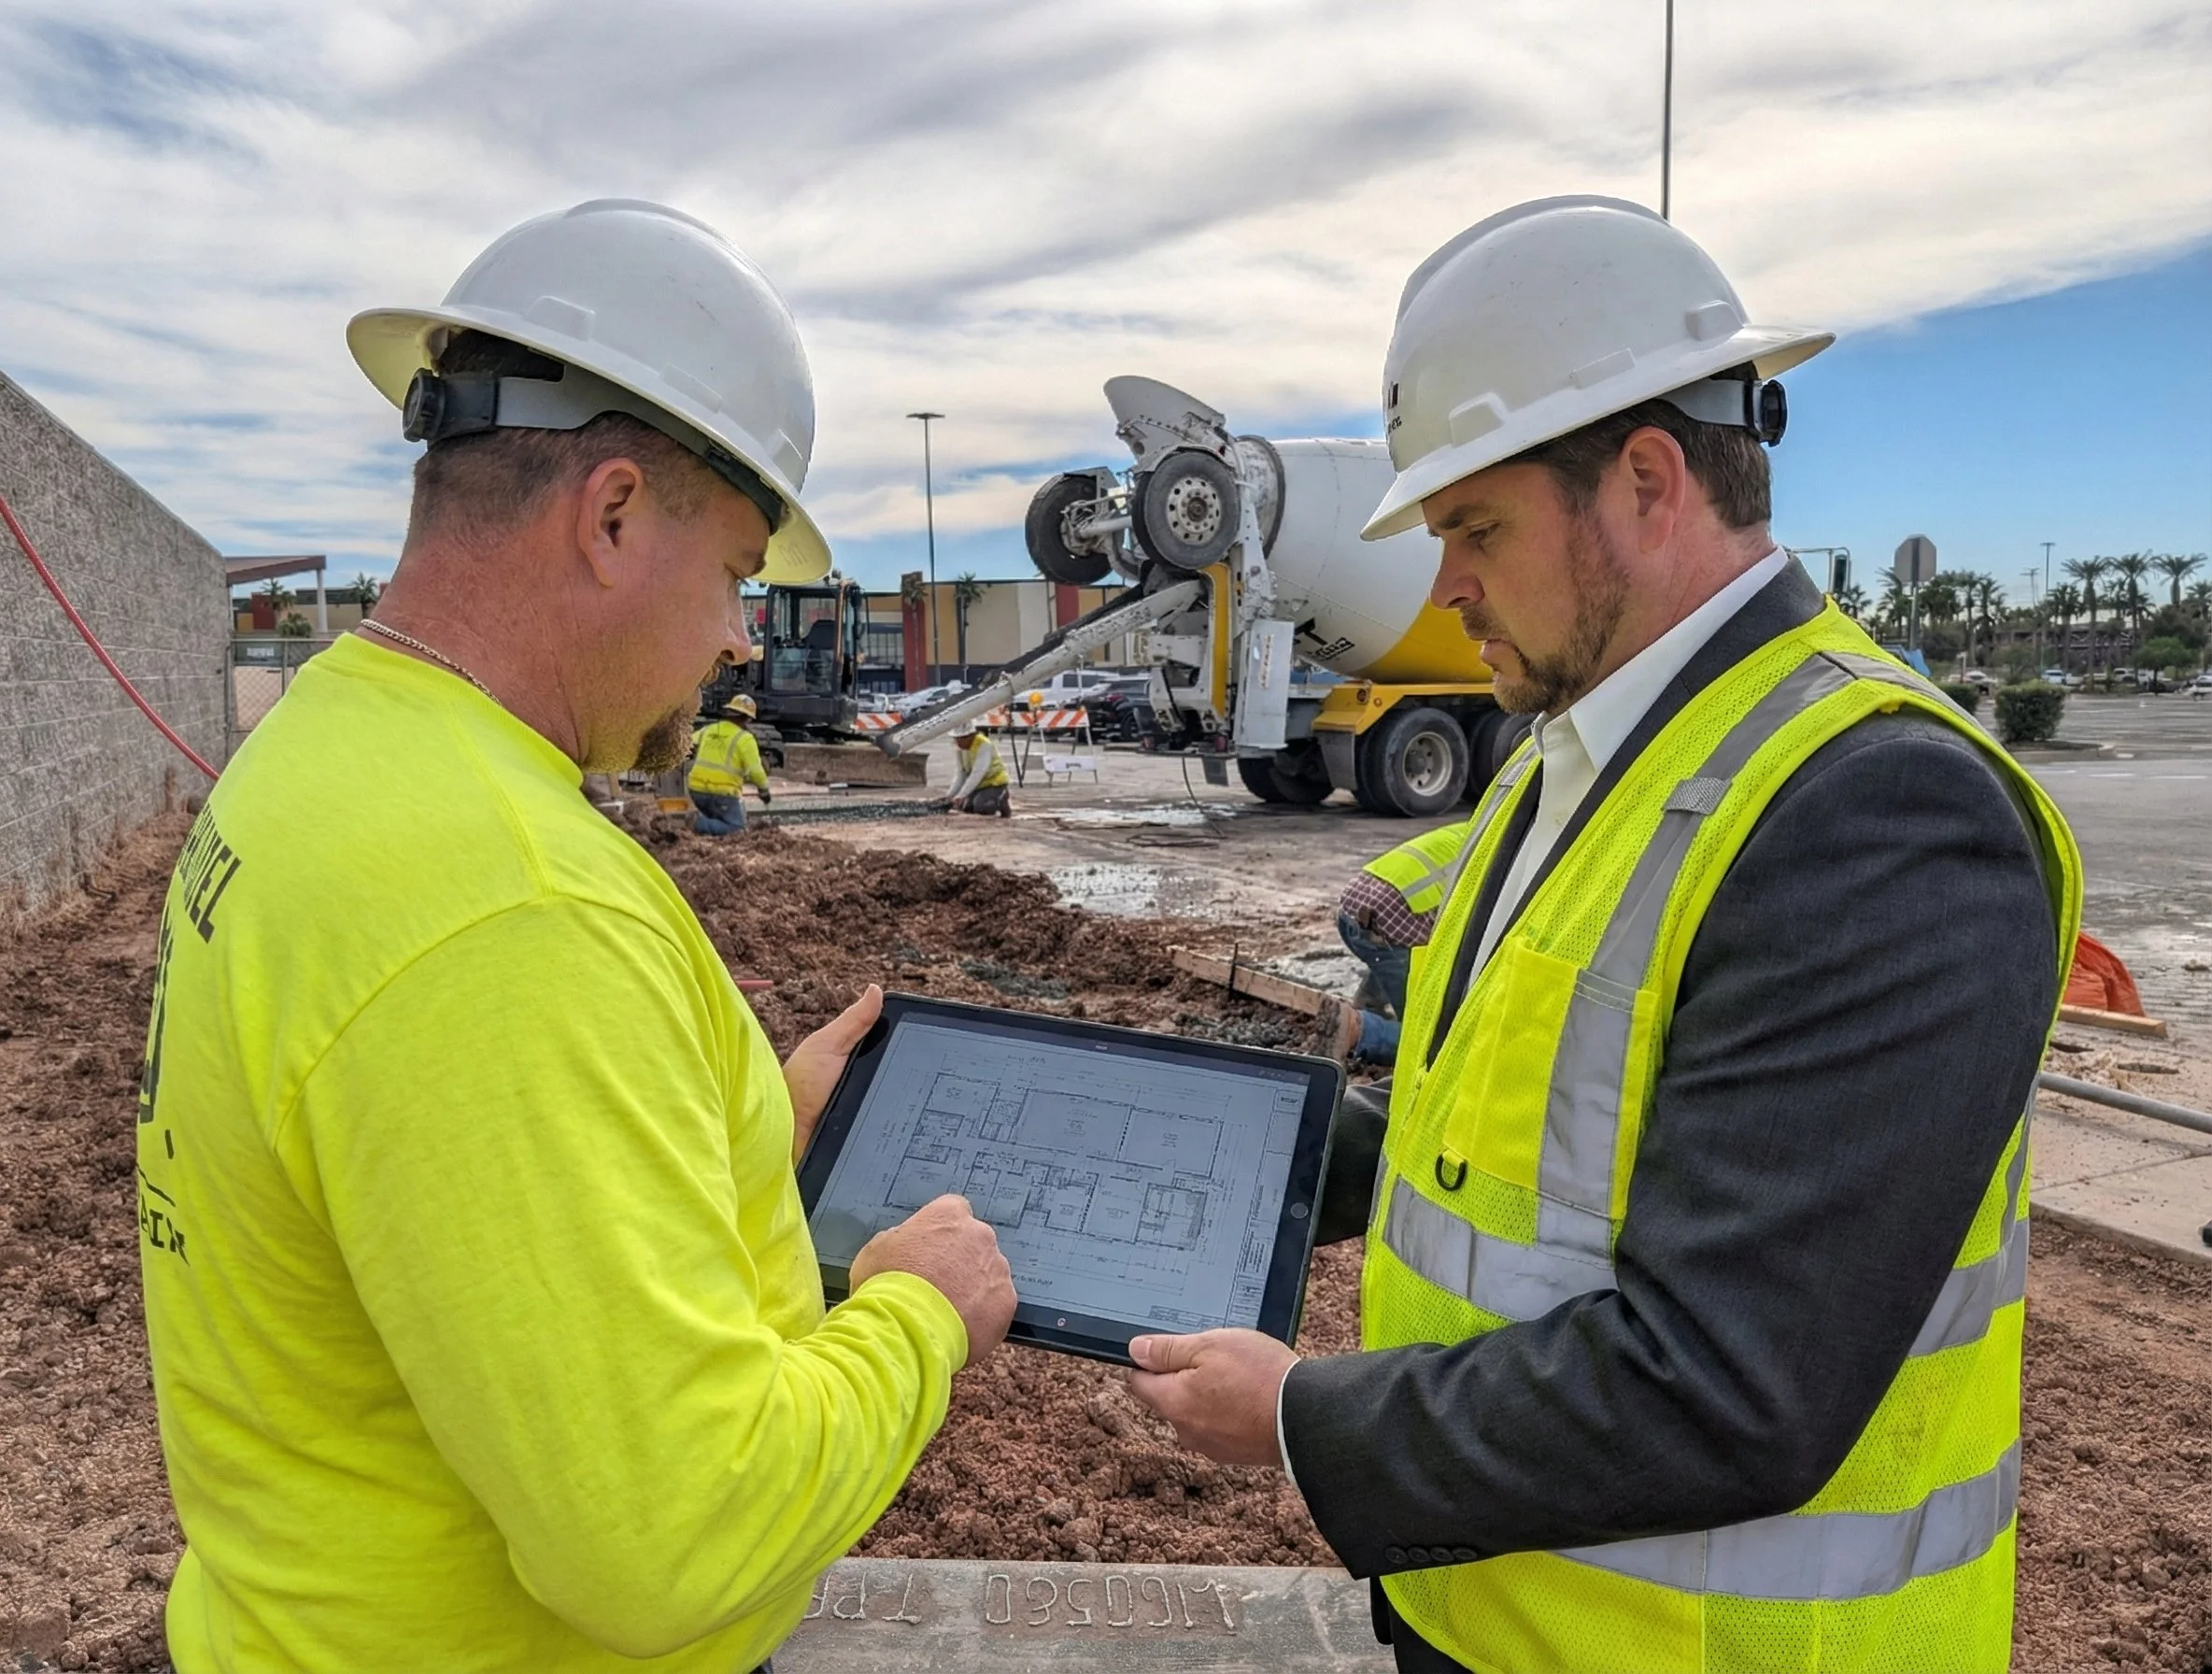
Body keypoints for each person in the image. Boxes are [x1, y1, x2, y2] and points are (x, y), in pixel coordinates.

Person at [1127, 196, 2080, 1674]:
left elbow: (1730, 1381)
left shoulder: (1875, 811)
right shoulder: (1577, 751)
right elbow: (1493, 1140)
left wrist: (1309, 1422)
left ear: (1647, 480)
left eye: (1476, 527)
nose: (1444, 587)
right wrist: (1213, 1153)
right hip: (1501, 1617)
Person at [135, 200, 1016, 1674]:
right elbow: (675, 1539)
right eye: (737, 569)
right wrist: (919, 1316)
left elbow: (428, 1188)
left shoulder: (330, 756)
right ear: (612, 517)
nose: (743, 636)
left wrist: (743, 1133)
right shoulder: (504, 904)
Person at [1335, 822, 1468, 1064]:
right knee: (1423, 1035)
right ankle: (1360, 1031)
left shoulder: (1466, 830)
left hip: (1349, 910)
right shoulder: (1493, 857)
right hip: (1386, 924)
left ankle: (1364, 1009)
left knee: (1390, 958)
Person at [689, 691, 771, 834]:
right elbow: (755, 770)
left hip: (696, 791)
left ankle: (706, 826)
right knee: (736, 829)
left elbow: (689, 744)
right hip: (723, 794)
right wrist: (763, 790)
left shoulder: (708, 730)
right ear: (747, 719)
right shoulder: (745, 739)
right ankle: (698, 824)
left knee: (716, 817)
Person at [947, 721, 1012, 816]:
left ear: (971, 736)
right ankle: (983, 797)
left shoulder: (984, 744)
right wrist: (949, 796)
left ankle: (1002, 798)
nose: (959, 742)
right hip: (979, 786)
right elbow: (961, 774)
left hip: (995, 783)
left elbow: (978, 773)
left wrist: (961, 795)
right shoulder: (959, 748)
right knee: (966, 808)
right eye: (957, 739)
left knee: (982, 807)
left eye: (962, 738)